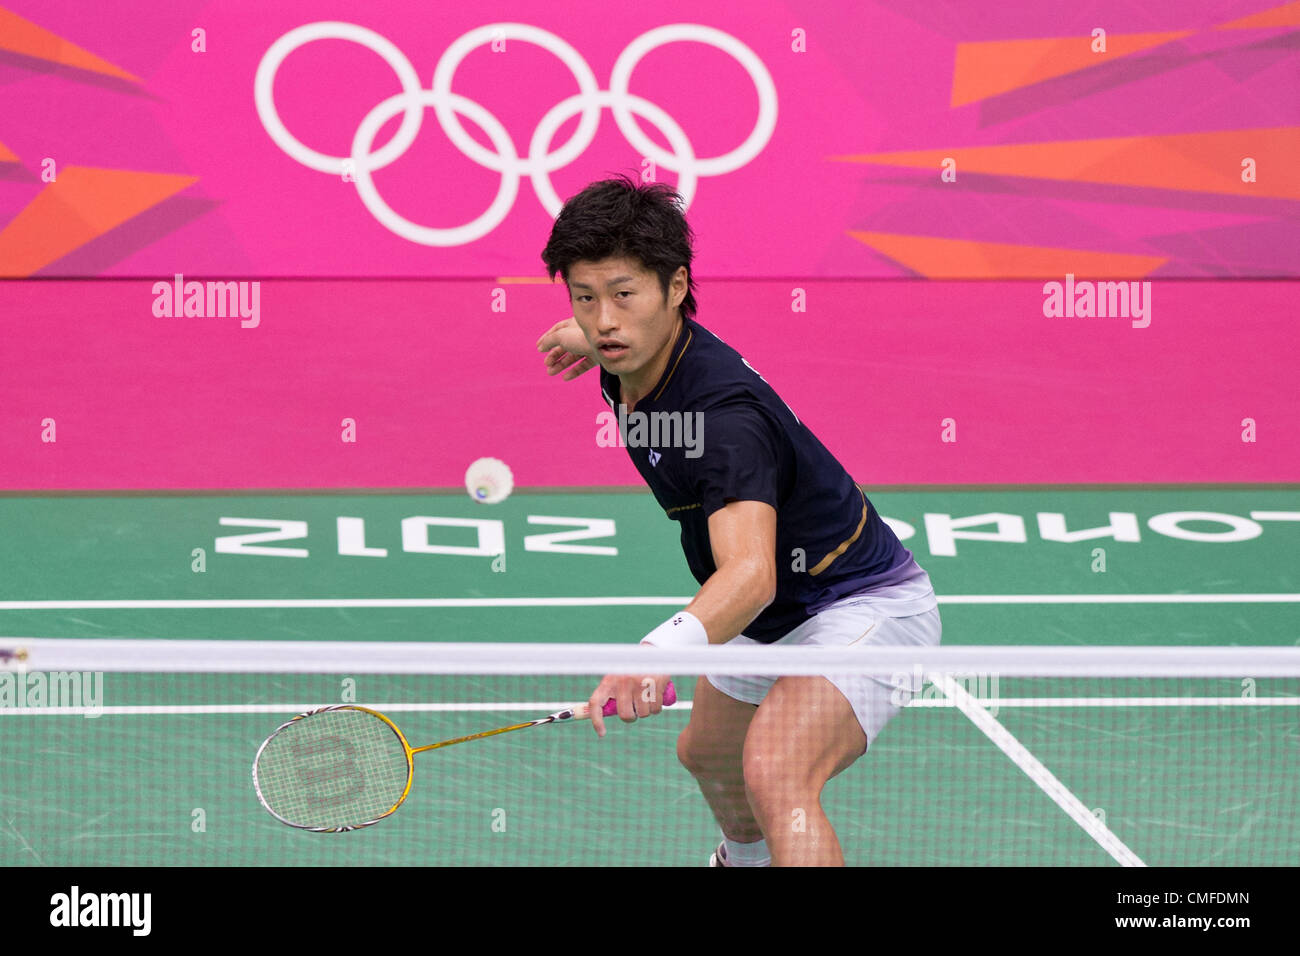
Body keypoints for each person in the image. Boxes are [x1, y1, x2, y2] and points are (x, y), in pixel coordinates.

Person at [535, 175, 940, 867]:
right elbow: (606, 321)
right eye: (585, 298)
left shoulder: (725, 424)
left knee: (778, 772)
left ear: (677, 287)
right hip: (777, 614)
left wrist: (653, 656)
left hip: (858, 605)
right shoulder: (627, 350)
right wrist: (583, 328)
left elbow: (749, 575)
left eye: (624, 295)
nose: (604, 321)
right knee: (710, 756)